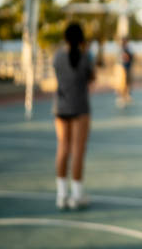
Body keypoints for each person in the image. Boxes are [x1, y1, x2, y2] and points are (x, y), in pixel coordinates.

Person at [52, 22, 95, 210]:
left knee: (63, 148)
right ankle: (76, 196)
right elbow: (91, 78)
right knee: (78, 150)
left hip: (61, 107)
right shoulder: (85, 57)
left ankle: (61, 195)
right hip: (80, 107)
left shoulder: (57, 56)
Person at [116, 37, 133, 108]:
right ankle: (121, 97)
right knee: (121, 83)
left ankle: (126, 95)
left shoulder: (128, 49)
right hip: (122, 68)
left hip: (127, 68)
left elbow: (130, 58)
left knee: (127, 82)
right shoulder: (121, 49)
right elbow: (123, 58)